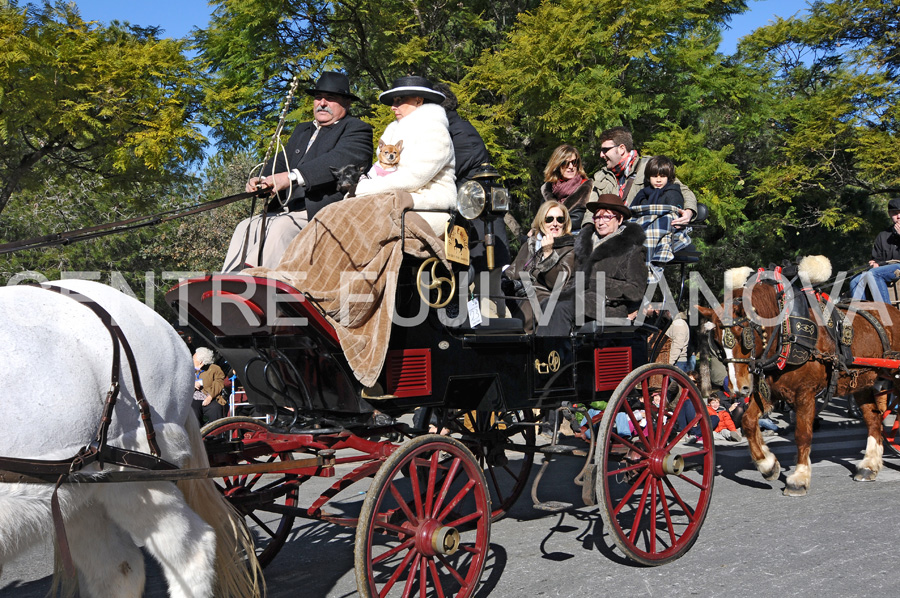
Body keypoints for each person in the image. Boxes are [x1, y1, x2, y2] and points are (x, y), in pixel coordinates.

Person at [222, 72, 374, 271]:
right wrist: (263, 180)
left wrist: (291, 178)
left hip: (322, 210)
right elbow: (281, 162)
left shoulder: (357, 129)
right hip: (285, 208)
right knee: (247, 226)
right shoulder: (302, 130)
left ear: (347, 103)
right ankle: (228, 281)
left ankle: (255, 285)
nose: (322, 103)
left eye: (331, 98)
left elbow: (339, 160)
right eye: (318, 97)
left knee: (280, 228)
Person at [353, 75, 456, 237]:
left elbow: (414, 178)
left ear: (418, 101)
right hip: (396, 201)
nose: (393, 107)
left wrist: (364, 188)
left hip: (429, 207)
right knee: (339, 216)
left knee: (361, 225)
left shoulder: (435, 130)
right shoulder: (394, 131)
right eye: (394, 101)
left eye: (399, 100)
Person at [536, 194, 647, 335]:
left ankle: (559, 355)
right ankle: (544, 354)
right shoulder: (585, 244)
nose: (601, 222)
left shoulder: (633, 250)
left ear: (619, 220)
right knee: (547, 304)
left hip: (608, 305)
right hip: (580, 298)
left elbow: (636, 289)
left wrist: (600, 285)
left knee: (561, 308)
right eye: (597, 217)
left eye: (607, 217)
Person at [588, 126, 697, 229]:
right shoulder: (601, 176)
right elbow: (590, 211)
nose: (601, 155)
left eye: (605, 150)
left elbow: (682, 190)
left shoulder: (650, 166)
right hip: (607, 234)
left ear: (621, 148)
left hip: (639, 232)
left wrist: (688, 212)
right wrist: (587, 231)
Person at [502, 201, 576, 332]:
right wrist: (504, 282)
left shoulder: (570, 248)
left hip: (544, 302)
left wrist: (548, 253)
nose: (555, 224)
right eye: (549, 219)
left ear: (565, 223)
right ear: (541, 221)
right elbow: (512, 270)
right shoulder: (530, 245)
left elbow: (558, 284)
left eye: (560, 219)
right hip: (518, 299)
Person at [850, 197, 900, 302]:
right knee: (855, 281)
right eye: (895, 213)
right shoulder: (882, 236)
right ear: (890, 214)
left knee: (874, 274)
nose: (899, 216)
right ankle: (862, 315)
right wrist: (875, 263)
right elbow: (877, 258)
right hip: (886, 269)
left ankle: (886, 313)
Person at [540, 145, 593, 227]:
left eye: (574, 162)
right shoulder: (548, 190)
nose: (571, 167)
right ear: (557, 165)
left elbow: (584, 219)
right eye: (565, 163)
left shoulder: (587, 187)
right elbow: (540, 218)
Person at [192, 347, 226, 425]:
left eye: (193, 358)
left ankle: (216, 435)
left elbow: (219, 383)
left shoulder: (214, 369)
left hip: (211, 397)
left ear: (201, 362)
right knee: (193, 410)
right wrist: (192, 384)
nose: (191, 360)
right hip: (194, 397)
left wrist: (210, 397)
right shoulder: (190, 369)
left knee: (215, 408)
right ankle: (197, 434)